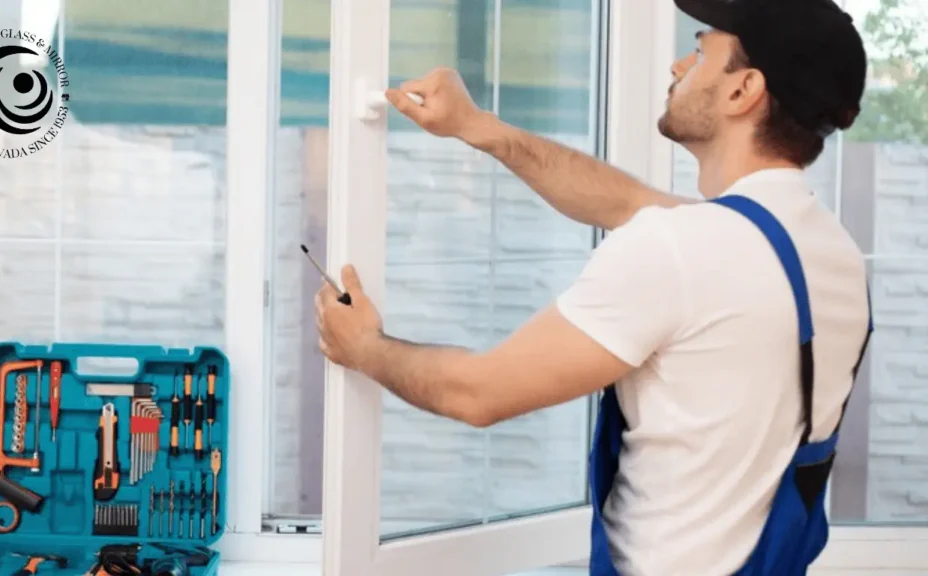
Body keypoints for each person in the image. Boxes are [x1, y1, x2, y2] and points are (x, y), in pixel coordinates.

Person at [313, 0, 873, 574]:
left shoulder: (686, 248)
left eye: (702, 50)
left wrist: (365, 348)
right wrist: (478, 127)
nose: (680, 65)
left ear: (742, 91)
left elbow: (477, 394)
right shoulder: (830, 254)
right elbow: (624, 202)